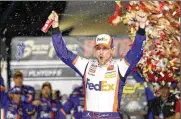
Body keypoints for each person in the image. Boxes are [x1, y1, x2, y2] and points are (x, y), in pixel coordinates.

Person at [50, 10, 147, 119]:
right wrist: (55, 28)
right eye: (98, 48)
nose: (101, 52)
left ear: (112, 50)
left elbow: (136, 52)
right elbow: (62, 53)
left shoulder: (120, 66)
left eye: (105, 48)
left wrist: (142, 27)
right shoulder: (86, 66)